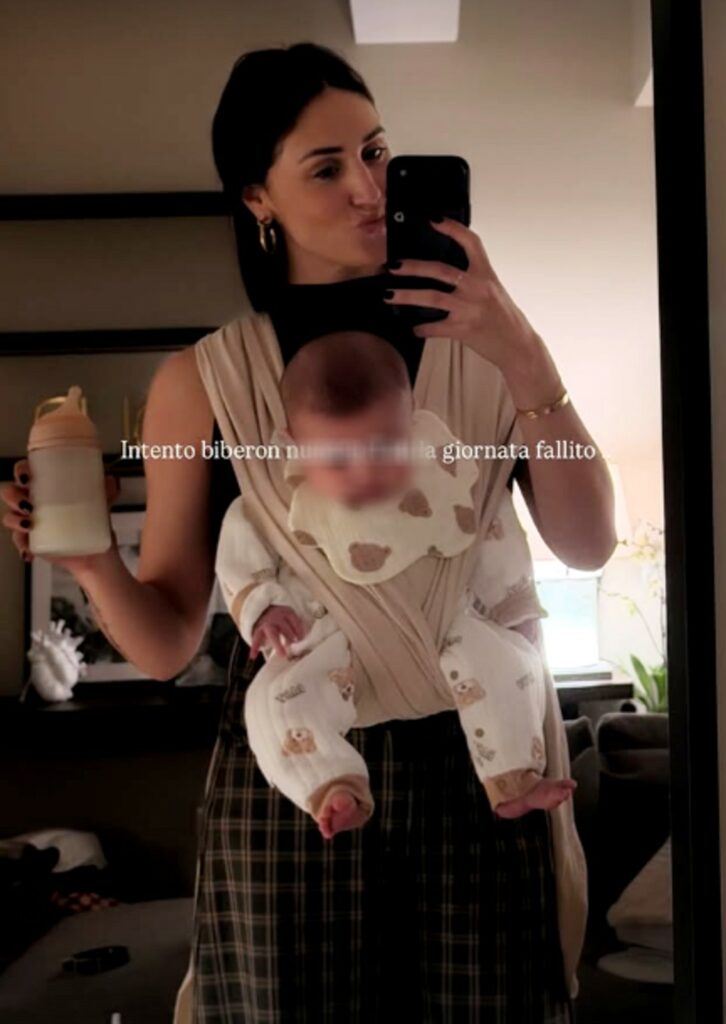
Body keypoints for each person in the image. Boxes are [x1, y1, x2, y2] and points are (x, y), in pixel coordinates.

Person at [1, 43, 616, 1023]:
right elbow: (165, 642)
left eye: (375, 152)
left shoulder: (485, 345)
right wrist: (89, 560)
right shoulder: (203, 382)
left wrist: (526, 355)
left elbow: (589, 544)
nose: (369, 188)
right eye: (327, 168)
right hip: (299, 768)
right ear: (258, 197)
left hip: (485, 756)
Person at [216, 330, 576, 840]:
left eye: (385, 447)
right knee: (271, 703)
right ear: (294, 443)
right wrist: (263, 609)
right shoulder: (275, 496)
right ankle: (331, 786)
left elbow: (493, 533)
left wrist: (513, 608)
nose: (364, 473)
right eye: (336, 459)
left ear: (413, 422)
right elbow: (241, 554)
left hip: (447, 627)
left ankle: (515, 778)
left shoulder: (447, 473)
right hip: (326, 642)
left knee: (515, 664)